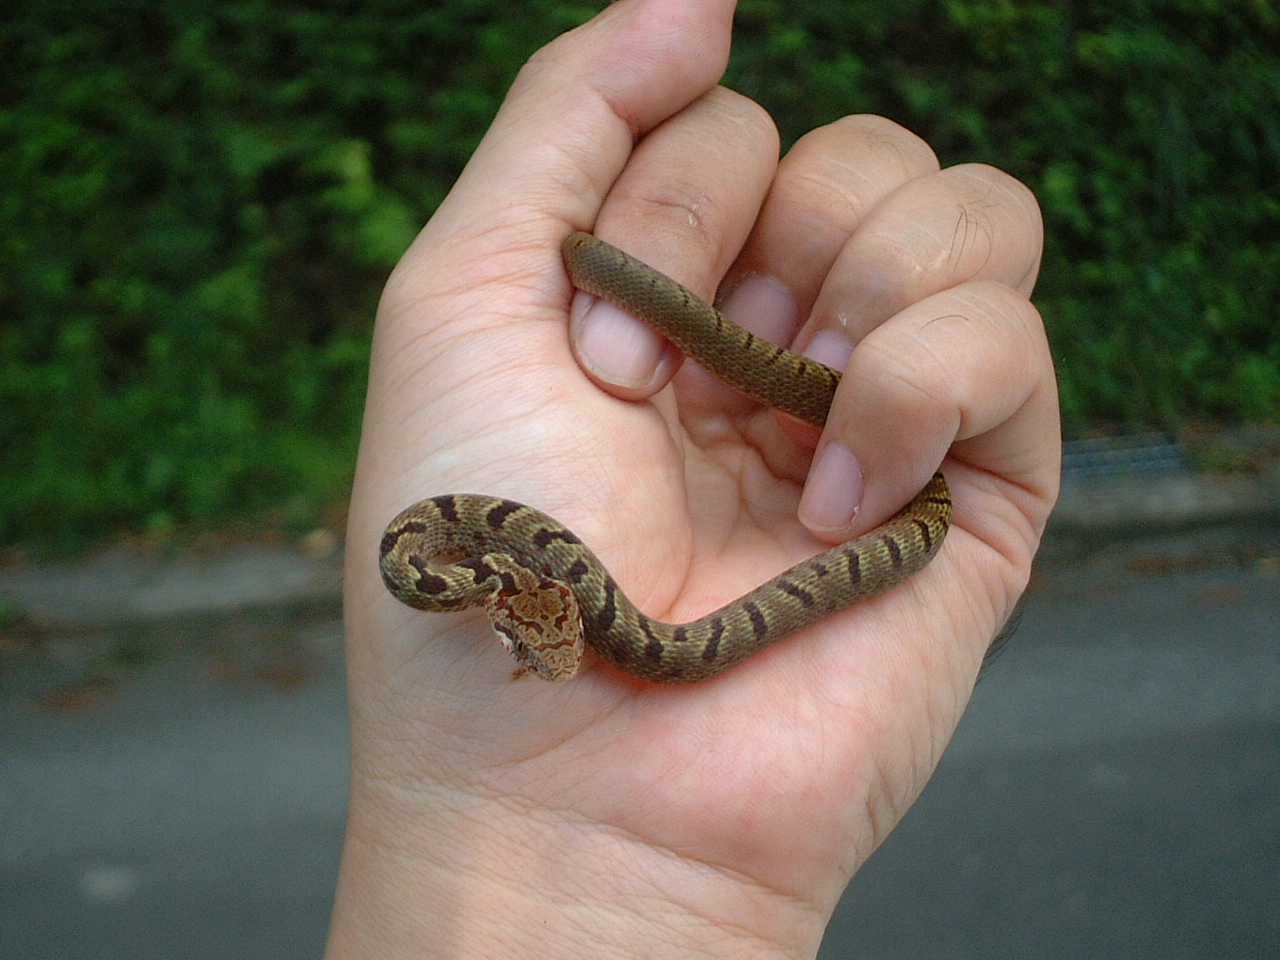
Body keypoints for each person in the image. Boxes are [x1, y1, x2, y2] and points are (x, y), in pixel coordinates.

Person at [327, 0, 1059, 956]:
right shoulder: (448, 563)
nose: (560, 666)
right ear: (520, 603)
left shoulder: (491, 570)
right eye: (557, 652)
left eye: (555, 649)